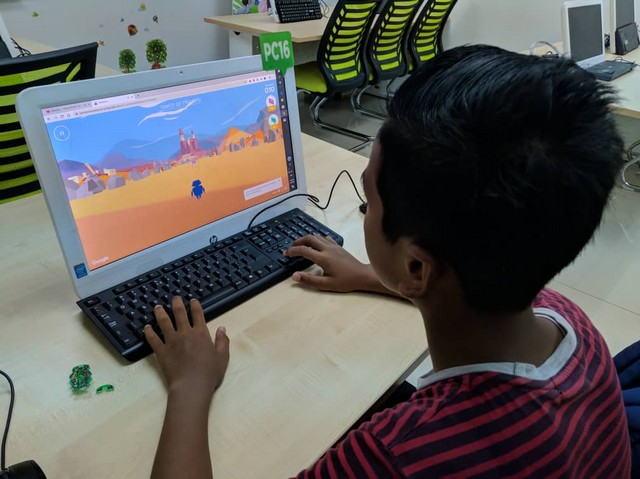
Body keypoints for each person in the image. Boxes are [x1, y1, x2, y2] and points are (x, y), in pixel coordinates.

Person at [143, 44, 632, 478]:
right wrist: (373, 275)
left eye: (369, 201)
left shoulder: (399, 455)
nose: (366, 209)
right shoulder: (570, 321)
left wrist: (190, 386)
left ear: (418, 268)